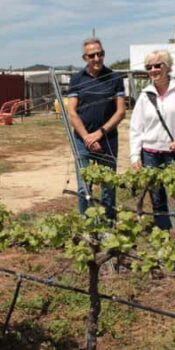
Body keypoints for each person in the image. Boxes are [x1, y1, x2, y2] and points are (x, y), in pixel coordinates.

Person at [129, 50, 175, 229]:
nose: (153, 70)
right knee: (157, 199)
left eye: (157, 65)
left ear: (167, 66)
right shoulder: (145, 95)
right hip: (151, 155)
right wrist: (135, 156)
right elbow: (136, 128)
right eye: (149, 67)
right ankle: (164, 237)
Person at [67, 37, 126, 219]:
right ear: (85, 58)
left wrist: (99, 134)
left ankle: (108, 225)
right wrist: (87, 137)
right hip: (82, 141)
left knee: (108, 184)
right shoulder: (77, 79)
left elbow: (121, 111)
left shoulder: (114, 78)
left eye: (100, 54)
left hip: (108, 139)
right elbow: (72, 112)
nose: (97, 58)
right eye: (92, 55)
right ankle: (88, 225)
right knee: (84, 184)